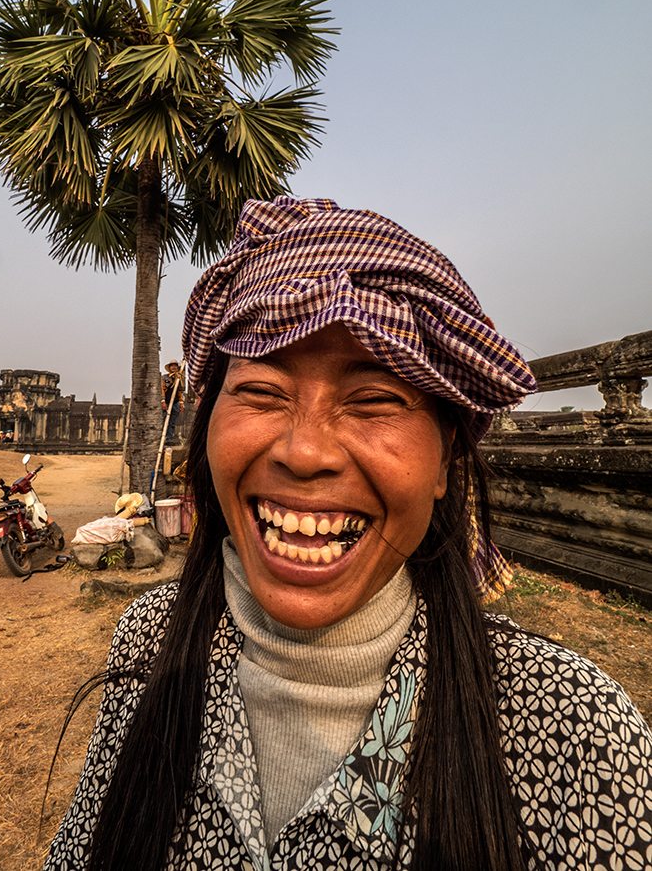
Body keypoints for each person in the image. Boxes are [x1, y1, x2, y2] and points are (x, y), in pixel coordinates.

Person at [44, 198, 652, 871]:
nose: (305, 453)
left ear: (448, 459)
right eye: (263, 391)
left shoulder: (578, 732)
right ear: (209, 425)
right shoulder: (150, 639)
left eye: (374, 399)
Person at [161, 359, 185, 444]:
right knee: (164, 421)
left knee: (172, 422)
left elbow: (180, 392)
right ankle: (163, 438)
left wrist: (181, 403)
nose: (174, 367)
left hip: (175, 403)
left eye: (175, 366)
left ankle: (169, 439)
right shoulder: (165, 377)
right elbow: (162, 390)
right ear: (170, 367)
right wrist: (163, 401)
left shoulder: (179, 378)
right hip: (166, 402)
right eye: (172, 366)